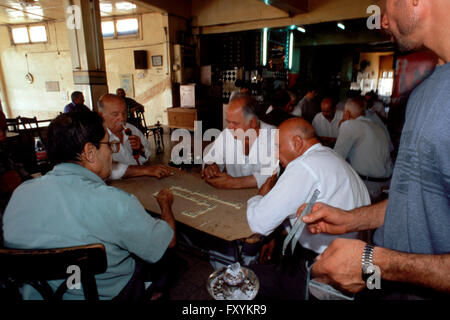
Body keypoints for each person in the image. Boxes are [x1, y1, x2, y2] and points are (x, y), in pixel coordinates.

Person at [299, 0, 450, 299]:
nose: (381, 20)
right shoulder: (423, 93)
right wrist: (352, 219)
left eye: (386, 5)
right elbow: (418, 199)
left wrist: (374, 263)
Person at [2, 111, 176, 300]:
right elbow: (167, 242)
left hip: (41, 294)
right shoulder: (116, 202)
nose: (111, 151)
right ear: (90, 153)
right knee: (163, 262)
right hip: (109, 296)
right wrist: (165, 205)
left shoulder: (21, 193)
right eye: (109, 145)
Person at [247, 118, 370, 299]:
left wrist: (260, 195)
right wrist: (277, 234)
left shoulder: (303, 165)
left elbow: (258, 222)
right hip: (350, 263)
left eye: (278, 147)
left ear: (296, 143)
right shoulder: (331, 157)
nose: (275, 155)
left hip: (321, 270)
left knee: (248, 277)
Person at [202, 95, 278, 189]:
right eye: (228, 122)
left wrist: (232, 183)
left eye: (235, 123)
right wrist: (211, 166)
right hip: (232, 197)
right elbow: (210, 156)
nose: (229, 127)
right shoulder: (228, 134)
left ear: (253, 122)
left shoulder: (272, 135)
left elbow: (272, 174)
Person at [98, 94, 171, 180]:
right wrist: (144, 170)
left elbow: (146, 157)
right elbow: (107, 169)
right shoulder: (97, 137)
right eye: (115, 114)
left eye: (124, 113)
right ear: (101, 115)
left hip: (138, 182)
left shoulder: (132, 129)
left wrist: (141, 149)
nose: (122, 119)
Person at [334, 97, 392, 203]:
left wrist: (342, 125)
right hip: (386, 184)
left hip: (368, 185)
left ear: (346, 113)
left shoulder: (349, 125)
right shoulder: (378, 126)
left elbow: (337, 157)